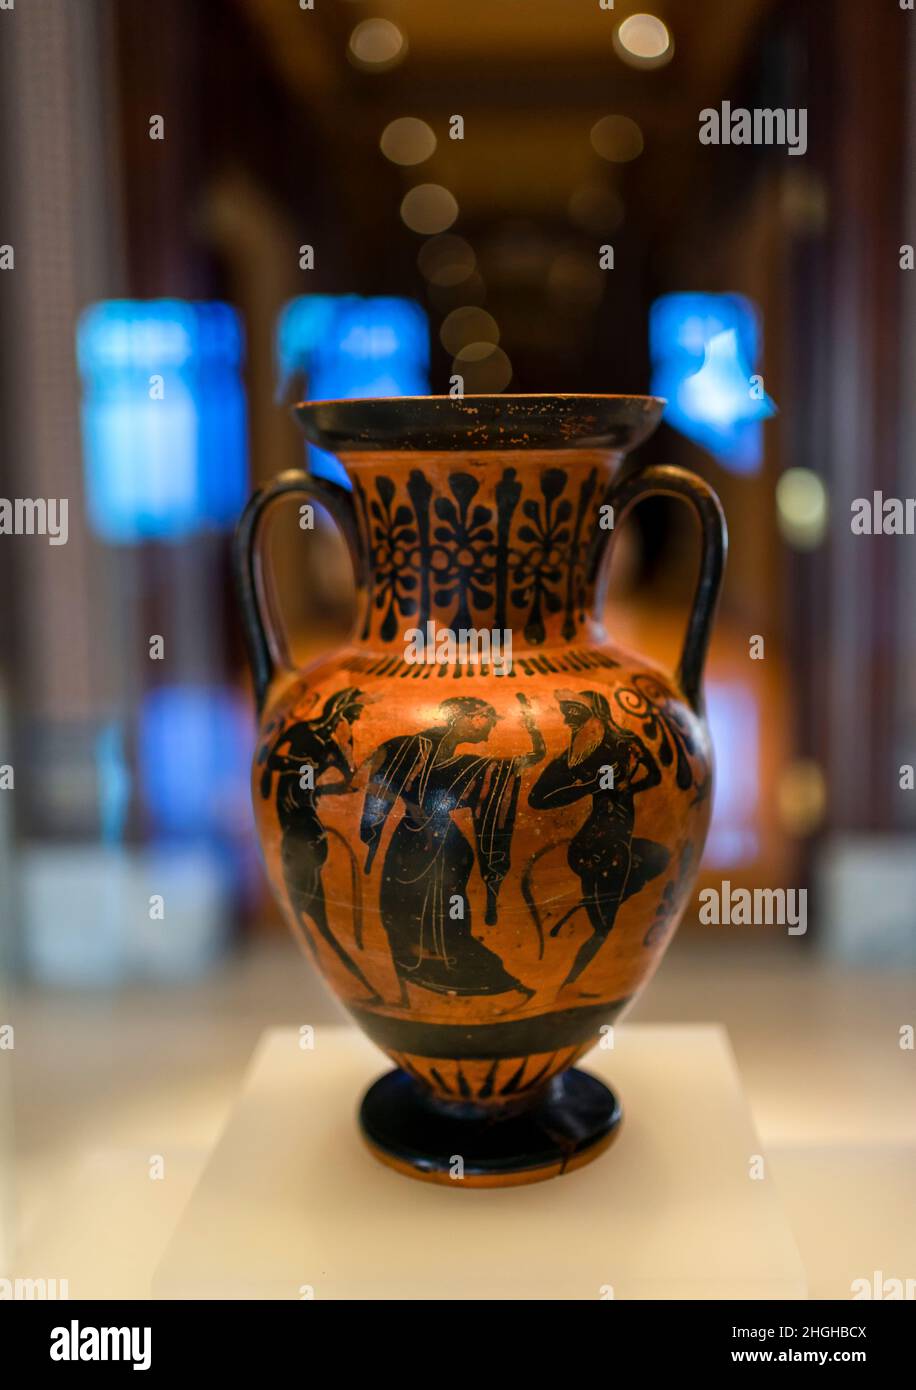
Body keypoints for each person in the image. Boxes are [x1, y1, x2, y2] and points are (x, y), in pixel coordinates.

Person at [360, 694, 544, 1004]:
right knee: (399, 911)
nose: (491, 727)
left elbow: (515, 766)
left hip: (443, 848)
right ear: (467, 717)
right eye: (488, 718)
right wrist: (374, 822)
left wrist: (534, 731)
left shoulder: (463, 762)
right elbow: (380, 778)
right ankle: (413, 979)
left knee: (447, 915)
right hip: (418, 845)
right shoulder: (412, 747)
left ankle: (456, 972)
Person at [528, 689, 669, 989]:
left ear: (597, 712)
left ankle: (605, 904)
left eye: (573, 710)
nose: (566, 717)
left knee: (660, 857)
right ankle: (569, 985)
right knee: (602, 930)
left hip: (615, 842)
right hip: (596, 844)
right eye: (564, 710)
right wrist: (590, 787)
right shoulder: (572, 756)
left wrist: (628, 787)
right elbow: (537, 799)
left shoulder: (626, 742)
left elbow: (656, 777)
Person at [259, 687, 379, 1002]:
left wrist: (350, 761)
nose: (352, 725)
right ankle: (363, 984)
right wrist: (304, 771)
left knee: (314, 917)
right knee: (310, 916)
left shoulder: (331, 748)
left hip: (306, 832)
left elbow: (348, 782)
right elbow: (272, 763)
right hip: (297, 830)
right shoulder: (303, 731)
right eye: (352, 718)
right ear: (339, 714)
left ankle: (364, 984)